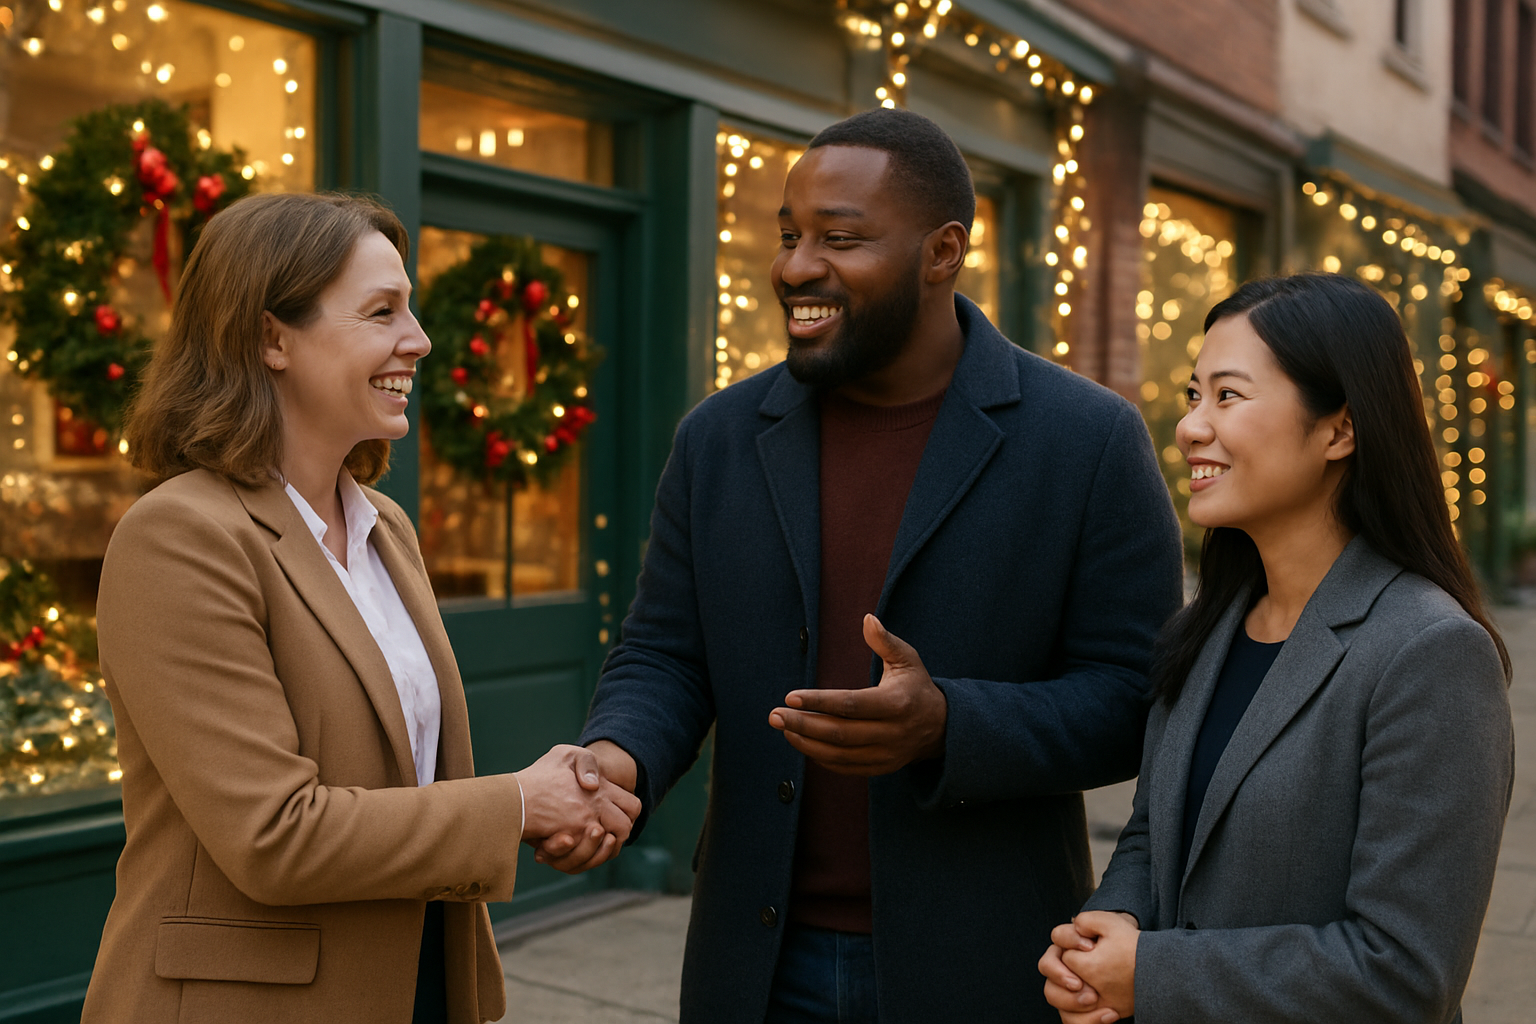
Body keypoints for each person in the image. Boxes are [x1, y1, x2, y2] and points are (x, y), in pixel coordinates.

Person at [531, 107, 1184, 1023]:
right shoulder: (718, 439)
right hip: (755, 962)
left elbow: (1133, 701)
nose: (798, 266)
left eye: (840, 238)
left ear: (941, 251)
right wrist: (614, 759)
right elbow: (665, 655)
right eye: (790, 236)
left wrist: (948, 723)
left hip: (983, 964)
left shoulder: (1087, 440)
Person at [79, 192, 640, 1024]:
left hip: (412, 985)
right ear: (272, 337)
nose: (416, 340)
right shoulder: (179, 536)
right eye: (382, 312)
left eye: (408, 311)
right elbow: (275, 835)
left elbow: (409, 779)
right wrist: (520, 804)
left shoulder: (386, 528)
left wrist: (556, 803)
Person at [1038, 273, 1515, 1024]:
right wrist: (1109, 932)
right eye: (1195, 396)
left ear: (1340, 429)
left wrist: (1153, 974)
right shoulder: (1209, 627)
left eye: (1227, 396)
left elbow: (1405, 973)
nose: (1192, 427)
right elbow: (1154, 835)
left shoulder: (1429, 651)